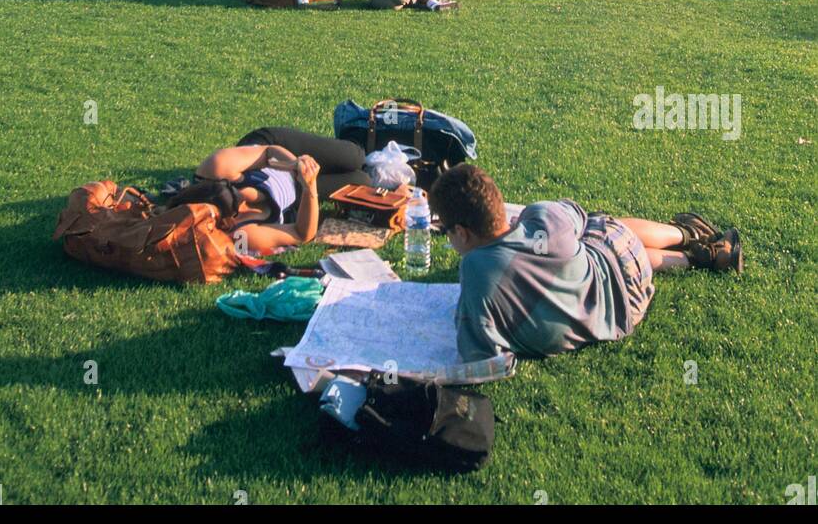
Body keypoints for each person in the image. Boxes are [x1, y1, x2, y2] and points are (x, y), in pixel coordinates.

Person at [430, 165, 743, 363]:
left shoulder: (475, 271)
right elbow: (579, 218)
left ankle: (693, 256)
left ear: (462, 232)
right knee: (599, 229)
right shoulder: (541, 217)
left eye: (445, 231)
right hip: (629, 277)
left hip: (620, 313)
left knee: (597, 242)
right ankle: (686, 234)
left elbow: (478, 352)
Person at [164, 128, 370, 254]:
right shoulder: (242, 234)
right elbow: (301, 233)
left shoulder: (216, 168)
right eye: (239, 204)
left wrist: (295, 163)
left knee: (355, 157)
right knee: (362, 179)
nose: (244, 197)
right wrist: (310, 188)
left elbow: (267, 151)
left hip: (277, 149)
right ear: (226, 221)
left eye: (233, 188)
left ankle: (358, 124)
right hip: (299, 190)